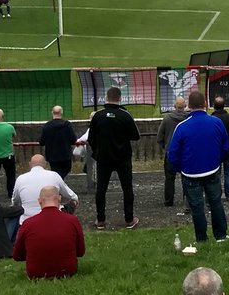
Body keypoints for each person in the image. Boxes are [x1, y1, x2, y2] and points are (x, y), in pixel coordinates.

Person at [167, 91, 229, 244]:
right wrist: (217, 161)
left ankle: (202, 238)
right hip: (211, 170)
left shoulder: (182, 127)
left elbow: (172, 153)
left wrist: (180, 168)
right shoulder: (216, 122)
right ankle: (220, 235)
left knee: (197, 207)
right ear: (205, 104)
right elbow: (225, 146)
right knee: (215, 202)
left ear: (189, 106)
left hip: (191, 173)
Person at [87, 85, 141, 229]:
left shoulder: (98, 116)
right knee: (127, 188)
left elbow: (91, 138)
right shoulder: (125, 115)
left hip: (104, 158)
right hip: (123, 157)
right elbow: (136, 136)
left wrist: (98, 151)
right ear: (120, 98)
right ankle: (129, 219)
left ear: (106, 98)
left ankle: (100, 220)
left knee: (101, 189)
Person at [13, 185, 86, 279]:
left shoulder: (27, 224)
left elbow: (17, 256)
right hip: (67, 271)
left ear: (39, 201)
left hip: (36, 273)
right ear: (59, 198)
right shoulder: (72, 221)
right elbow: (80, 252)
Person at [13, 153, 78, 225]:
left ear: (30, 164)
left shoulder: (20, 179)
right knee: (74, 201)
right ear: (45, 164)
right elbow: (72, 196)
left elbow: (15, 201)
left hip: (26, 221)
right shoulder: (54, 175)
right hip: (54, 220)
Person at [158, 96, 190, 207]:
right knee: (186, 177)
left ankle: (168, 200)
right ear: (185, 106)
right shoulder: (188, 119)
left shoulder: (167, 119)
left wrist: (165, 147)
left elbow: (159, 136)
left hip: (171, 152)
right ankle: (187, 199)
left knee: (169, 178)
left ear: (174, 106)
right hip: (185, 152)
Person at [40, 106, 78, 181]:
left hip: (52, 156)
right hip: (66, 154)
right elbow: (73, 140)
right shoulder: (67, 125)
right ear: (61, 113)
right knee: (65, 170)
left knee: (56, 173)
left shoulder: (47, 126)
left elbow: (42, 142)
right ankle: (60, 183)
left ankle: (58, 183)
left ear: (52, 113)